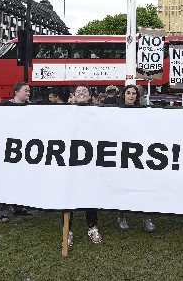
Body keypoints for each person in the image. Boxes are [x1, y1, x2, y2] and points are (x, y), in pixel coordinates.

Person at [117, 85, 156, 233]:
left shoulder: (143, 112)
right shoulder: (115, 111)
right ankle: (121, 216)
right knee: (123, 186)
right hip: (122, 153)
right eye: (128, 93)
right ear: (123, 95)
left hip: (140, 153)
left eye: (134, 93)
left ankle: (147, 218)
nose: (131, 96)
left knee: (143, 185)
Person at [67, 84, 103, 244]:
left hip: (90, 161)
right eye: (78, 92)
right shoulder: (65, 113)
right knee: (68, 195)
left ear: (89, 96)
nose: (81, 93)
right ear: (74, 95)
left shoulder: (97, 112)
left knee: (90, 194)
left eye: (84, 91)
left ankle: (92, 227)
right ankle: (67, 230)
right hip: (70, 161)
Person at [0, 82, 32, 222]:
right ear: (16, 92)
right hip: (9, 147)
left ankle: (19, 206)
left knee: (21, 177)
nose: (28, 93)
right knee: (6, 178)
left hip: (24, 147)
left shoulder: (30, 107)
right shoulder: (5, 106)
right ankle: (3, 211)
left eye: (29, 91)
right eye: (25, 91)